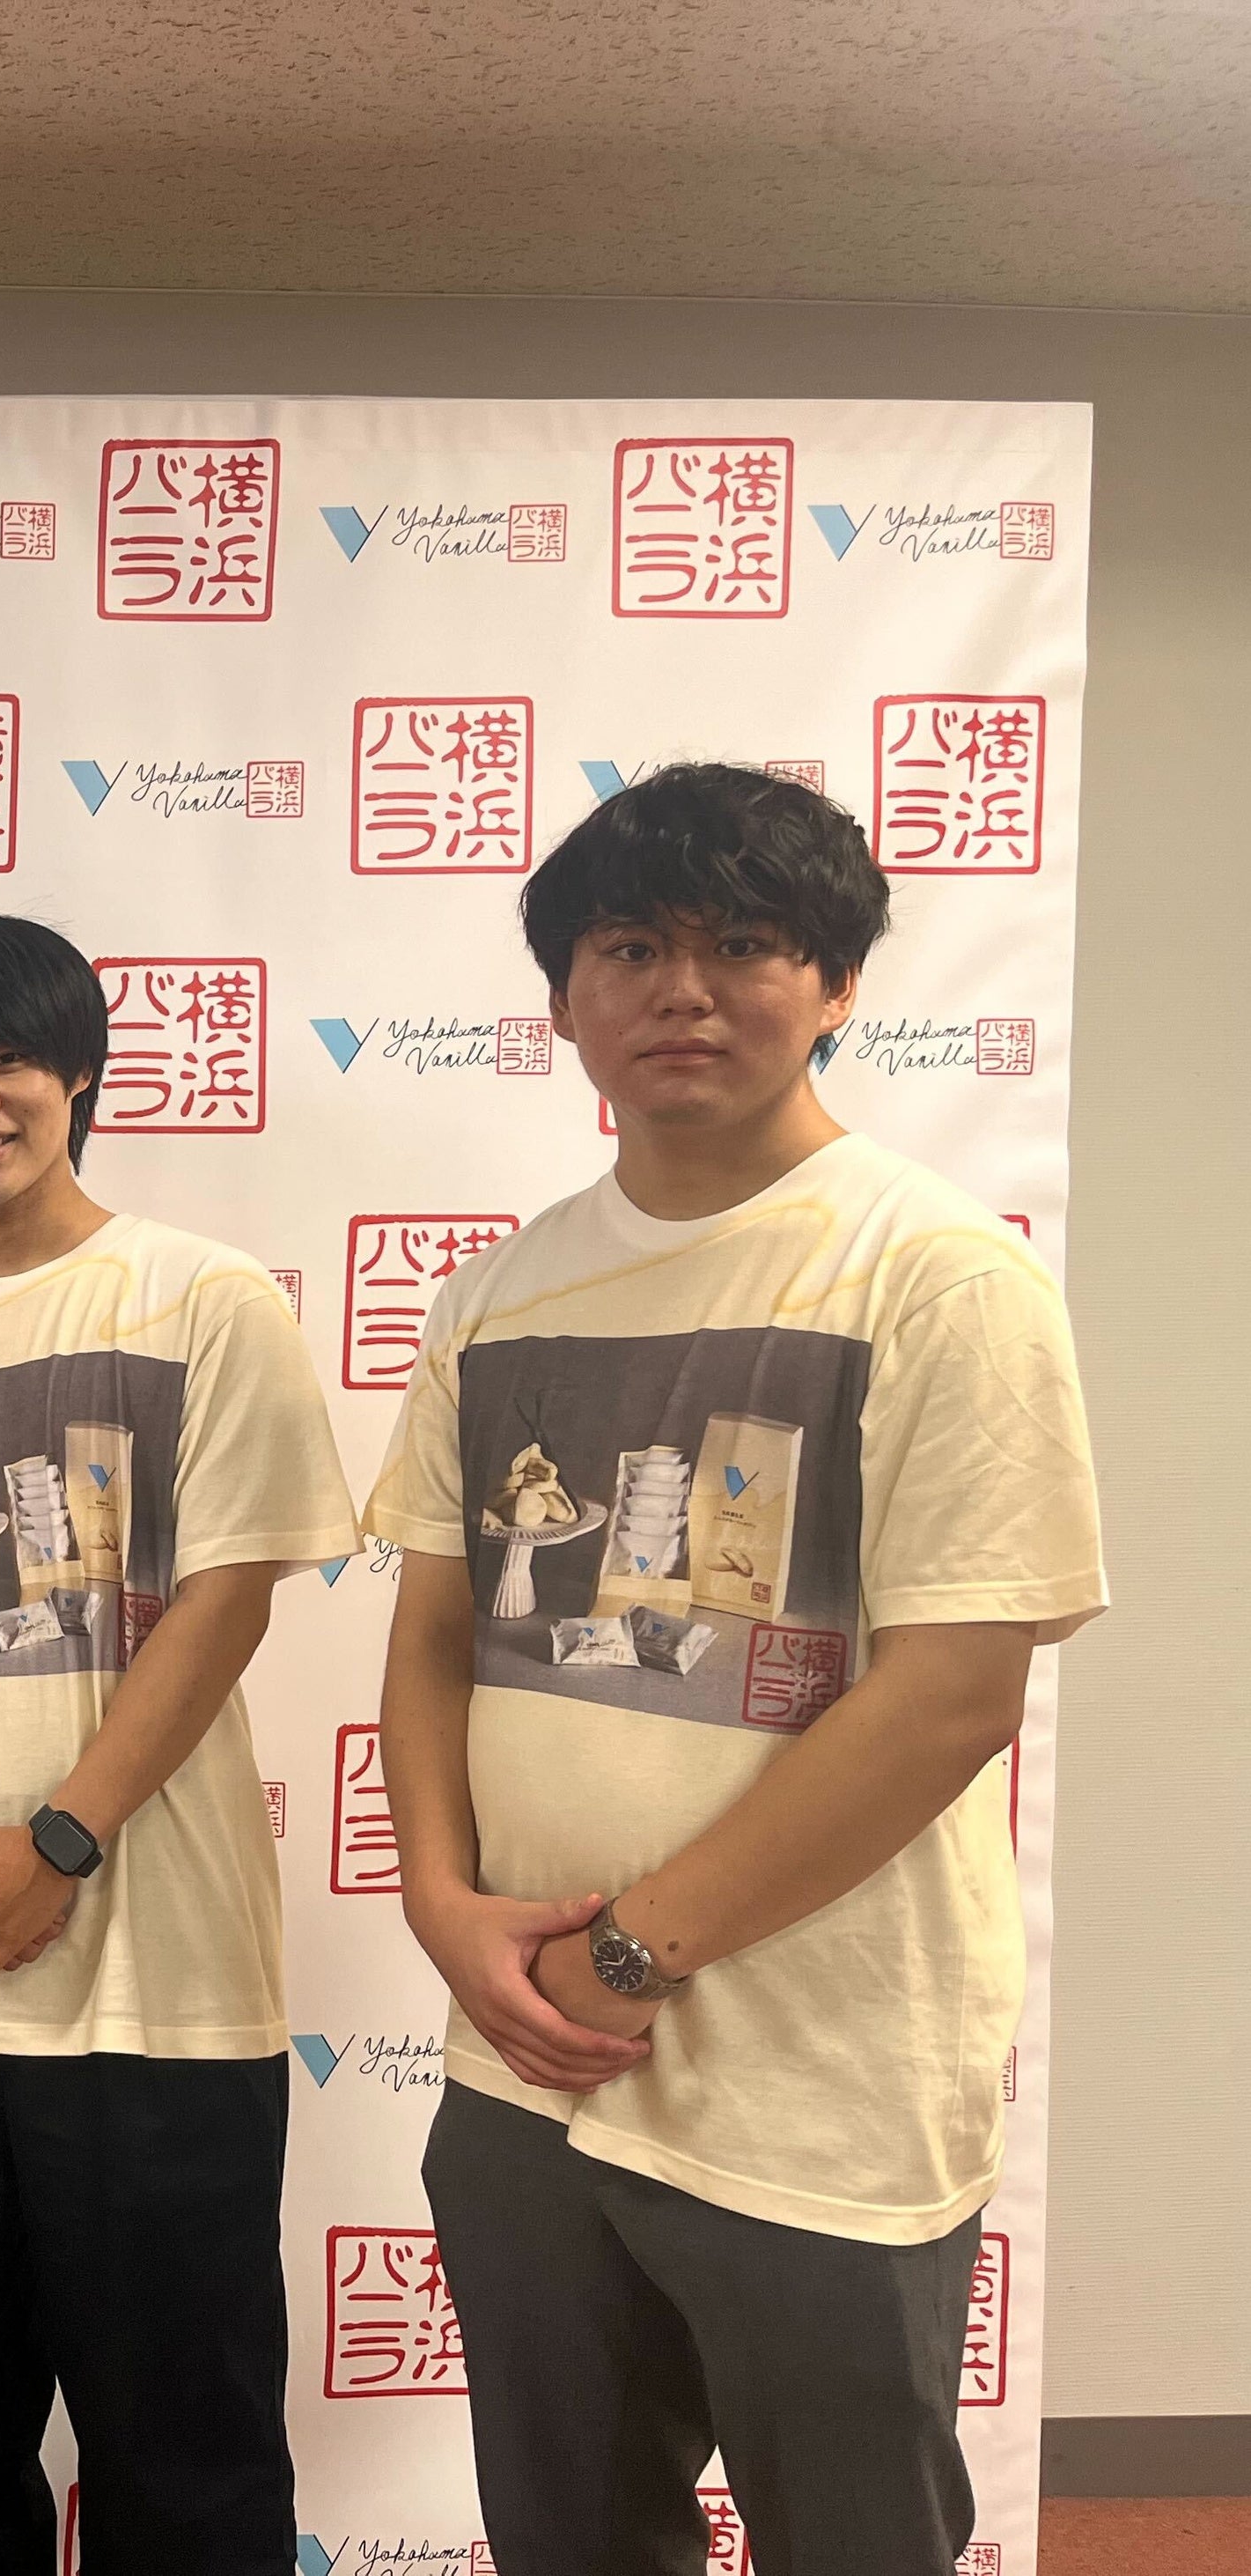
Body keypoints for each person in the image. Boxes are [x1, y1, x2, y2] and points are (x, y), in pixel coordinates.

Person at [364, 766, 1106, 2576]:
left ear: (837, 983)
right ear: (564, 1000)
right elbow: (439, 1632)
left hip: (816, 2090)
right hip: (525, 2074)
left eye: (746, 943)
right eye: (631, 946)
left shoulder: (936, 1276)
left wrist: (627, 1952)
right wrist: (444, 1906)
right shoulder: (501, 1293)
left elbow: (949, 1697)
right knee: (571, 2539)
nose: (683, 988)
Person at [0, 913, 356, 2576]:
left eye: (8, 1058)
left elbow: (228, 1598)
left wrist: (59, 1841)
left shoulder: (202, 1298)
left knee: (189, 2460)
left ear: (79, 1072)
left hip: (158, 1992)